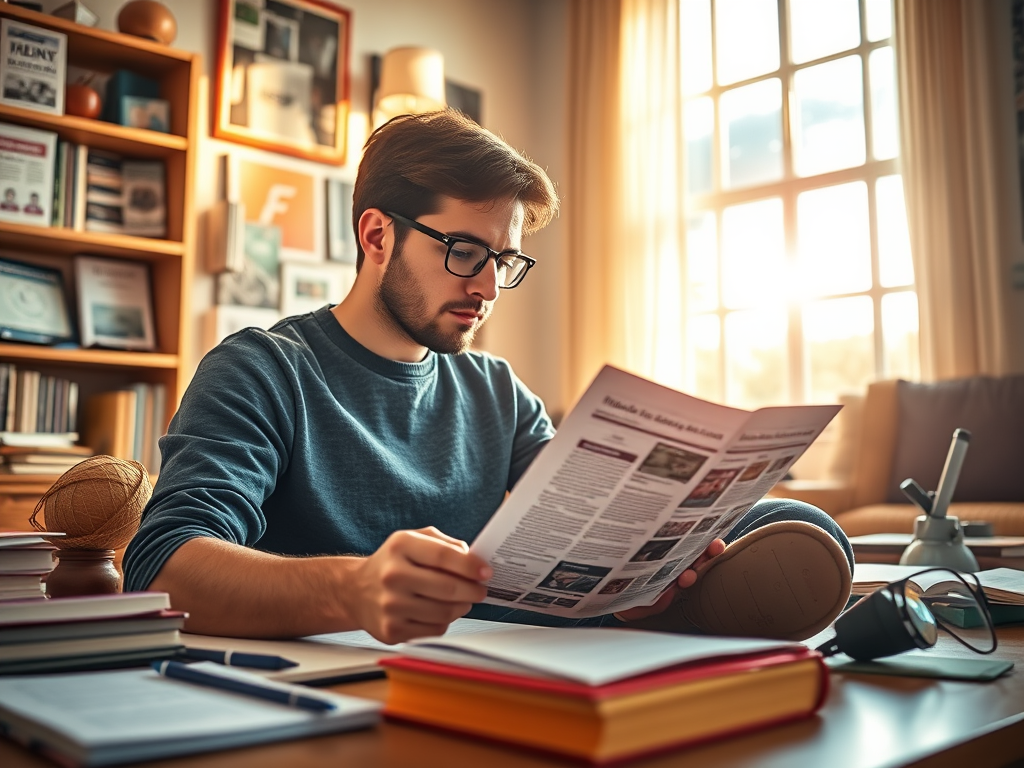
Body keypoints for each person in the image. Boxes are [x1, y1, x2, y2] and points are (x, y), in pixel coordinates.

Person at [123, 110, 853, 643]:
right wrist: (356, 587)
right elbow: (161, 566)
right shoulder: (262, 370)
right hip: (336, 670)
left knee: (796, 526)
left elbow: (592, 522)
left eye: (504, 260)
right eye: (466, 250)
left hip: (502, 653)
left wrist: (653, 555)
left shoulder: (495, 391)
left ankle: (655, 615)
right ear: (378, 235)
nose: (489, 287)